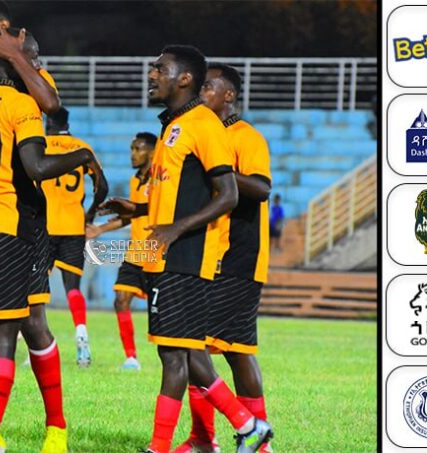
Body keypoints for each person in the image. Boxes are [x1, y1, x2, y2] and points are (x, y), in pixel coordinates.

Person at [0, 28, 102, 453]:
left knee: (32, 324)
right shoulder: (3, 87)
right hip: (6, 222)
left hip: (21, 223)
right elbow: (35, 163)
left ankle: (55, 427)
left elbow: (51, 103)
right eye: (33, 57)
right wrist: (85, 156)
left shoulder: (31, 82)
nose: (40, 64)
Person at [101, 45, 272, 453]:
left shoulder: (214, 130)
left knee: (213, 351)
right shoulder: (175, 127)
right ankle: (214, 435)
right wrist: (139, 209)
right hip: (168, 252)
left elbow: (233, 192)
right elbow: (182, 194)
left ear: (185, 79)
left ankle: (242, 430)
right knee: (181, 351)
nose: (151, 74)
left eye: (159, 68)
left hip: (203, 255)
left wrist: (177, 227)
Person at [173, 64, 274, 453]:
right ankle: (212, 439)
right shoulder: (204, 134)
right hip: (209, 255)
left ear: (228, 95)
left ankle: (236, 437)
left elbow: (261, 188)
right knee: (220, 348)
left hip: (237, 257)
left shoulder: (246, 136)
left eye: (209, 87)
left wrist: (219, 173)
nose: (201, 92)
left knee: (212, 346)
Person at [42, 106, 108, 367]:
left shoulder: (41, 145)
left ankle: (36, 344)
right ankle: (81, 334)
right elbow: (102, 186)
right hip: (73, 226)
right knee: (73, 288)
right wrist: (89, 213)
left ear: (48, 123)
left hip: (45, 226)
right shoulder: (82, 148)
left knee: (35, 288)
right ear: (67, 124)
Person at [86, 132, 156, 370]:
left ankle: (178, 353)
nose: (133, 154)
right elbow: (131, 215)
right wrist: (99, 229)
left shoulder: (160, 179)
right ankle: (131, 358)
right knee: (121, 299)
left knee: (162, 307)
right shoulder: (135, 180)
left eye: (138, 149)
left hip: (158, 250)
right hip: (136, 250)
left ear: (152, 152)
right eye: (132, 149)